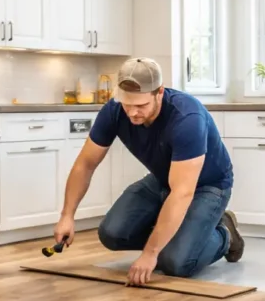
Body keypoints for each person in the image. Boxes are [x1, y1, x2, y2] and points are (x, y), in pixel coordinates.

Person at [53, 57, 243, 285]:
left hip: (208, 186)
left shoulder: (187, 118)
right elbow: (85, 164)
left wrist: (151, 253)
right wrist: (67, 215)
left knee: (177, 263)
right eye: (127, 104)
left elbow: (182, 192)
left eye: (141, 106)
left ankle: (224, 236)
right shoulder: (113, 110)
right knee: (112, 233)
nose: (132, 113)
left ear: (159, 92)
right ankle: (176, 234)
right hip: (163, 179)